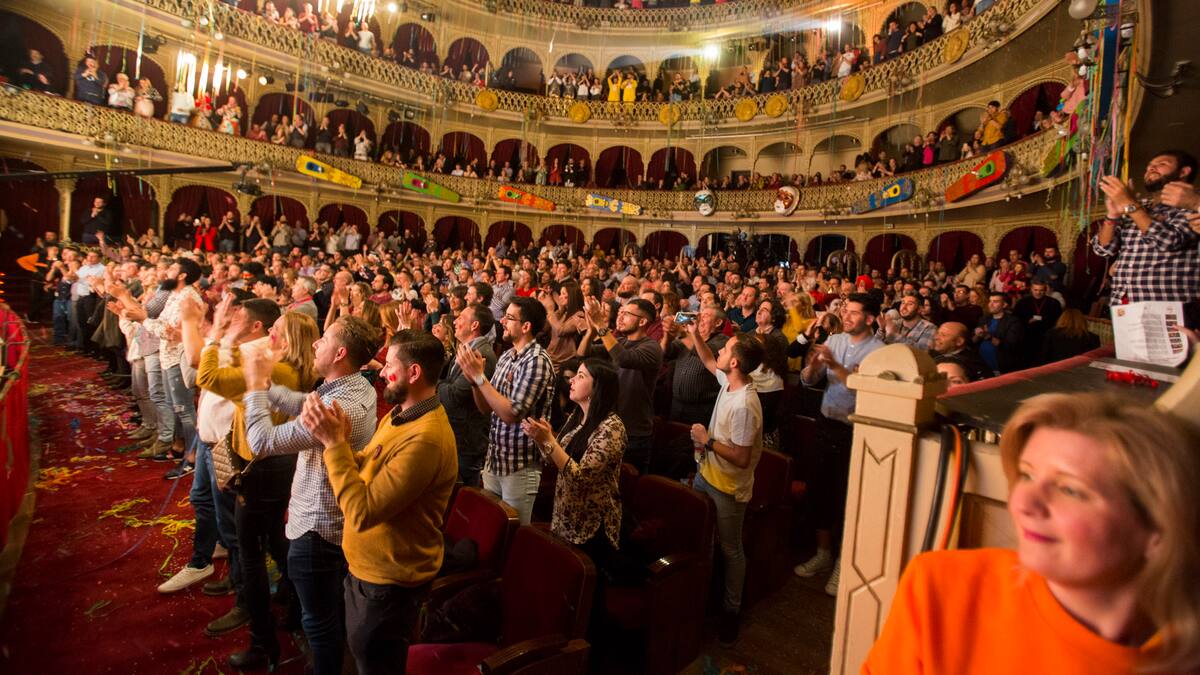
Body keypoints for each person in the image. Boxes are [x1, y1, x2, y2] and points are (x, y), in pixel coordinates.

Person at [864, 393, 1200, 675]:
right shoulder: (941, 588)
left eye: (1069, 489)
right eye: (1026, 475)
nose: (1022, 503)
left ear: (1158, 527)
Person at [301, 330, 458, 675]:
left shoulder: (426, 439)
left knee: (375, 662)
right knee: (360, 653)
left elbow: (362, 512)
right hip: (367, 569)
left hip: (388, 582)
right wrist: (343, 443)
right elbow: (371, 463)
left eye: (389, 366)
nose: (382, 372)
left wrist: (334, 446)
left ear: (413, 373)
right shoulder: (401, 414)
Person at [240, 315, 379, 675]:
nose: (315, 343)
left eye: (325, 339)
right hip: (330, 522)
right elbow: (302, 402)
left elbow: (261, 442)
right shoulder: (354, 386)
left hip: (318, 528)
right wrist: (265, 385)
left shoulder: (338, 407)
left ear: (340, 353)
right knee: (327, 615)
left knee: (319, 623)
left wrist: (254, 390)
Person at [195, 301, 315, 671]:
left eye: (275, 331)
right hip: (273, 465)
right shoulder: (290, 367)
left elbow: (209, 377)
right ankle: (294, 608)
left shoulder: (278, 370)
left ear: (287, 340)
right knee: (277, 541)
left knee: (251, 554)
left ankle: (263, 642)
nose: (268, 334)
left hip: (262, 468)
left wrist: (221, 335)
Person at [794, 294, 884, 597]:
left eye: (854, 313)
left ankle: (844, 562)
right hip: (826, 423)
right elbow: (809, 380)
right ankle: (823, 553)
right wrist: (813, 365)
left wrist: (835, 365)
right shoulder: (834, 340)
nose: (846, 317)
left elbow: (867, 391)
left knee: (846, 496)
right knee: (819, 490)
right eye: (845, 311)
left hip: (855, 430)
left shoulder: (879, 352)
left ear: (869, 319)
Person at [685, 321, 765, 646]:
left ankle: (731, 610)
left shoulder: (745, 404)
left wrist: (707, 440)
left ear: (734, 362)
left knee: (731, 549)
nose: (719, 349)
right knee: (700, 535)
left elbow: (742, 457)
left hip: (728, 487)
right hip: (707, 474)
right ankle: (701, 596)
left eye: (726, 348)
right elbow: (707, 360)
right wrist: (695, 335)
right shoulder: (729, 382)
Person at [455, 296, 555, 524]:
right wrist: (474, 382)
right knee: (487, 525)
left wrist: (480, 379)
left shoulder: (537, 360)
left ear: (526, 326)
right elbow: (486, 408)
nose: (502, 321)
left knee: (512, 533)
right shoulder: (507, 357)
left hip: (519, 464)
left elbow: (511, 414)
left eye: (509, 317)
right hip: (495, 458)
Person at [521, 357, 625, 564]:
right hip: (565, 516)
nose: (571, 380)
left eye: (581, 376)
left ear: (597, 388)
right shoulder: (578, 416)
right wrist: (541, 439)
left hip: (590, 524)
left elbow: (580, 478)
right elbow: (555, 460)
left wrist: (550, 441)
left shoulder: (612, 428)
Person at [1093, 150, 1200, 307]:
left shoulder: (1193, 202)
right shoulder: (1140, 205)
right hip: (1123, 302)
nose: (1151, 168)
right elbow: (1103, 249)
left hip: (1167, 305)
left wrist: (1130, 205)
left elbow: (1168, 242)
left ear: (1183, 171)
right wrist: (1112, 215)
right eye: (1149, 166)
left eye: (1162, 164)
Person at [579, 297, 662, 473]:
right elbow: (582, 354)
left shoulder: (652, 347)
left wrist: (600, 324)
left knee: (626, 481)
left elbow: (622, 358)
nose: (620, 317)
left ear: (642, 321)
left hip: (633, 431)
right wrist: (591, 332)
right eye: (620, 313)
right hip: (609, 424)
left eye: (626, 314)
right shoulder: (621, 342)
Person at [437, 303, 497, 487]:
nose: (455, 322)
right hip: (457, 435)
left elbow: (455, 395)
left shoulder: (481, 354)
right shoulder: (467, 348)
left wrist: (432, 383)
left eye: (461, 318)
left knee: (464, 492)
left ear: (474, 325)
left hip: (466, 441)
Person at [1012, 281, 1062, 365]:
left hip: (1046, 336)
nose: (1038, 293)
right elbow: (1015, 318)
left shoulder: (1053, 303)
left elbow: (1058, 319)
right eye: (1035, 290)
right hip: (1027, 336)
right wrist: (1027, 321)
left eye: (1041, 290)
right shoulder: (1022, 302)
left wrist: (1044, 319)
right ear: (1031, 289)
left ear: (1045, 290)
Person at [975, 292, 1024, 374]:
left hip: (1001, 367)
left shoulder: (1013, 321)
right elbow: (973, 341)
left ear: (1004, 305)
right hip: (982, 366)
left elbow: (1010, 346)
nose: (991, 304)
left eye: (995, 301)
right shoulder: (984, 319)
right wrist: (977, 334)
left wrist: (988, 337)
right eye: (990, 301)